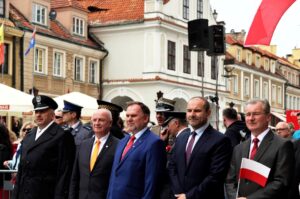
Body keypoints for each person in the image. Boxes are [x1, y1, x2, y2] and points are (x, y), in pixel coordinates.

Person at [225, 99, 295, 199]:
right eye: (248, 114)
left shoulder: (283, 145)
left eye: (256, 114)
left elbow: (281, 181)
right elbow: (230, 180)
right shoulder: (239, 148)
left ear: (268, 117)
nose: (251, 118)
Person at [168, 97, 232, 199]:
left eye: (197, 111)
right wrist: (178, 192)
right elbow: (172, 166)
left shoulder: (221, 140)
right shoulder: (181, 137)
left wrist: (188, 196)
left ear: (208, 113)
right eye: (189, 111)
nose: (192, 114)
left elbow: (215, 176)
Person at [13, 95, 76, 199]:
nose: (38, 115)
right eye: (36, 112)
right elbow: (21, 170)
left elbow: (64, 173)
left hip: (46, 194)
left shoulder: (62, 136)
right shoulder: (30, 135)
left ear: (52, 114)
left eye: (42, 111)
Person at [107, 101, 166, 199]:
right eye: (127, 115)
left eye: (133, 116)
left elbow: (152, 183)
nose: (129, 119)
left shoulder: (154, 143)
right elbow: (114, 175)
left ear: (145, 118)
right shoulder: (123, 141)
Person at [69, 109, 119, 199]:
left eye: (101, 120)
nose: (97, 123)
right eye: (94, 120)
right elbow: (75, 176)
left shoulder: (119, 146)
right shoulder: (84, 144)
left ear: (110, 123)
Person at [159, 111, 188, 199]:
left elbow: (175, 165)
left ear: (176, 123)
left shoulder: (183, 137)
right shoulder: (182, 136)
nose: (167, 129)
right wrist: (163, 141)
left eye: (168, 125)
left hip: (178, 190)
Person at [0, 124, 12, 198]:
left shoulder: (2, 147)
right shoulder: (7, 145)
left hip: (4, 181)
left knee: (6, 196)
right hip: (6, 180)